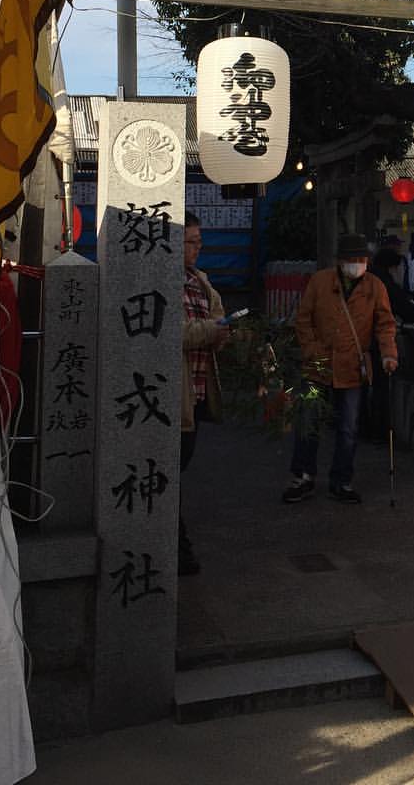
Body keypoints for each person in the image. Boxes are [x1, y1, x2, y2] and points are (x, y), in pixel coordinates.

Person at [283, 233, 398, 504]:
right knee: (309, 421)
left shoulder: (375, 287)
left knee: (349, 427)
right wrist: (312, 350)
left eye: (362, 260)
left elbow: (385, 324)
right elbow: (303, 320)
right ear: (340, 261)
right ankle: (303, 476)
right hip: (317, 366)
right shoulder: (320, 282)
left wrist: (389, 355)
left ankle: (342, 480)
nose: (357, 264)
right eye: (352, 260)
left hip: (352, 367)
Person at [180, 211, 231, 574]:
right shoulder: (164, 280)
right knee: (171, 474)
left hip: (196, 392)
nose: (197, 249)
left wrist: (224, 332)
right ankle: (176, 548)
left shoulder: (201, 282)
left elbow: (218, 325)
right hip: (175, 394)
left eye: (199, 242)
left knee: (178, 471)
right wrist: (214, 329)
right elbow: (175, 333)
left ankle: (175, 544)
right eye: (190, 242)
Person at [363, 247, 414, 443]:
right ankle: (379, 431)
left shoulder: (370, 278)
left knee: (362, 387)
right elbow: (401, 305)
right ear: (393, 267)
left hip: (360, 340)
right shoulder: (382, 281)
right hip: (374, 342)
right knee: (379, 387)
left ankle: (363, 429)